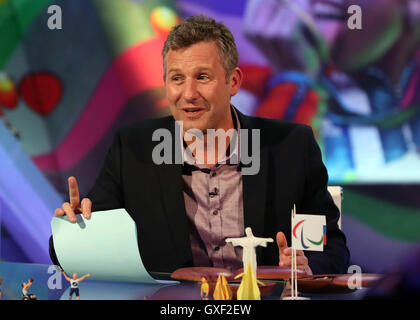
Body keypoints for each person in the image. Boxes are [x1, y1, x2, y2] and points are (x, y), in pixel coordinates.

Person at [50, 15, 349, 275]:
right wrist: (75, 227)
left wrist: (307, 264)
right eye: (177, 79)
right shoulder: (133, 150)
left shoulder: (291, 148)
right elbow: (68, 253)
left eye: (202, 77)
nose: (188, 94)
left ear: (233, 82)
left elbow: (331, 249)